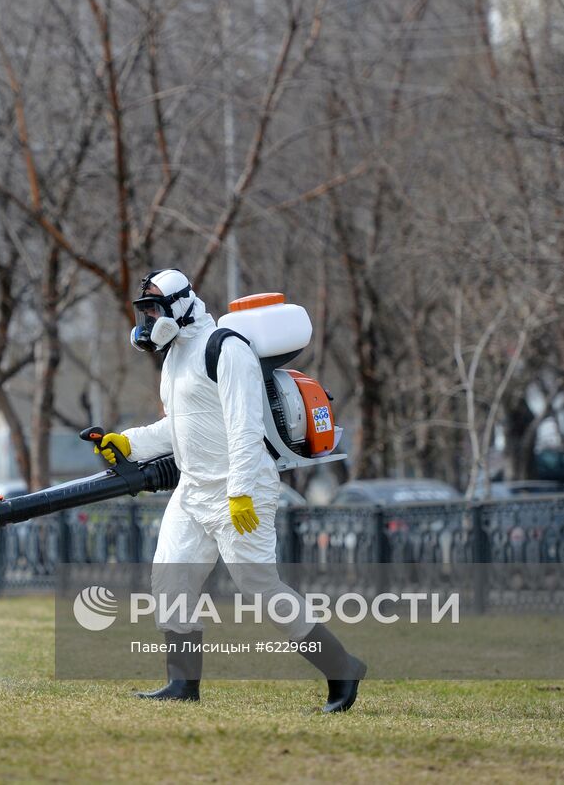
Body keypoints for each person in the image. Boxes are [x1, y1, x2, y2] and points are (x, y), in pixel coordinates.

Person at [97, 268, 365, 711]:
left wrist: (239, 491)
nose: (146, 321)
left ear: (182, 304)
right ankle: (182, 685)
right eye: (142, 312)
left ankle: (342, 668)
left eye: (154, 310)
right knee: (170, 578)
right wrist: (130, 441)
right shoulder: (175, 356)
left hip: (243, 489)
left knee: (259, 587)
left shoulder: (226, 348)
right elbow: (181, 425)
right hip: (194, 490)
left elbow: (244, 427)